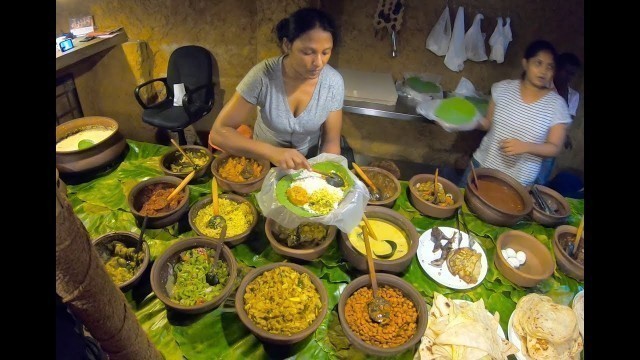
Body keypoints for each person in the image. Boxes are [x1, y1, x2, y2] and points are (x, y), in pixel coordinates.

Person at [209, 7, 344, 170]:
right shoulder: (263, 76)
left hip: (307, 167)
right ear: (287, 45)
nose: (318, 63)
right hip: (264, 163)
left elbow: (331, 142)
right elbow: (218, 133)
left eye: (325, 52)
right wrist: (273, 152)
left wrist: (320, 176)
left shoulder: (333, 83)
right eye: (308, 52)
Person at [459, 40, 572, 188]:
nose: (544, 71)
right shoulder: (502, 88)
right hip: (482, 166)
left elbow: (554, 147)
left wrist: (525, 147)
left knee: (501, 211)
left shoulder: (557, 105)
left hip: (518, 180)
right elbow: (488, 123)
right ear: (525, 63)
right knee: (463, 207)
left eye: (550, 67)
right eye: (538, 63)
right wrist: (470, 122)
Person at [535, 52, 582, 185]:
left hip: (550, 145)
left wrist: (564, 136)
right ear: (557, 68)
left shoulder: (573, 96)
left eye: (572, 74)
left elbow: (566, 122)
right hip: (531, 140)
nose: (568, 77)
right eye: (566, 72)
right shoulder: (541, 86)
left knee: (539, 182)